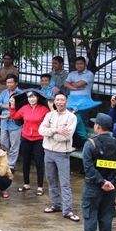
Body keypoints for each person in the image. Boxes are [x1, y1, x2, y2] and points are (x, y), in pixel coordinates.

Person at [69, 113, 116, 231]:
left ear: (98, 126)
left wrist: (101, 182)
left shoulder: (91, 144)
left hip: (93, 187)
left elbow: (88, 167)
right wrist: (112, 182)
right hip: (111, 188)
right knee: (106, 216)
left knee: (90, 216)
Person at [39, 93, 79, 221]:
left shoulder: (71, 117)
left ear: (66, 101)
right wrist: (56, 130)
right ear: (54, 102)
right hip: (48, 151)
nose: (60, 102)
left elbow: (65, 137)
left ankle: (68, 210)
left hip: (62, 153)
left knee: (65, 182)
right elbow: (41, 131)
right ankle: (56, 204)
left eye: (62, 100)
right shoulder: (49, 115)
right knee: (51, 180)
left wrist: (49, 131)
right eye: (57, 100)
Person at [10, 90, 50, 196]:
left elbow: (51, 117)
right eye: (29, 97)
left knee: (39, 163)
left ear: (37, 98)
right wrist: (13, 105)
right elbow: (15, 116)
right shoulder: (25, 108)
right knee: (25, 162)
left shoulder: (44, 109)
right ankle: (26, 183)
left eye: (33, 97)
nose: (31, 99)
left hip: (39, 138)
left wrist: (51, 107)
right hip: (26, 138)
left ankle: (40, 186)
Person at [0, 74, 23, 170]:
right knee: (3, 143)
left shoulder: (20, 94)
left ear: (16, 83)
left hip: (15, 122)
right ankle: (5, 162)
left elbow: (21, 108)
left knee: (15, 144)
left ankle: (11, 165)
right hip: (4, 122)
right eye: (7, 82)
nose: (9, 84)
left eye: (11, 82)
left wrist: (11, 110)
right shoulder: (4, 92)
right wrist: (8, 107)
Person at [64, 56, 95, 125]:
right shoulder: (72, 73)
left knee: (82, 121)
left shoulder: (89, 74)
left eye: (81, 63)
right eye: (77, 64)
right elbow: (66, 84)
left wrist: (71, 84)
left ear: (85, 64)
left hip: (84, 102)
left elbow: (80, 83)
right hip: (72, 101)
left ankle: (83, 136)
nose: (79, 65)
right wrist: (76, 88)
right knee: (69, 121)